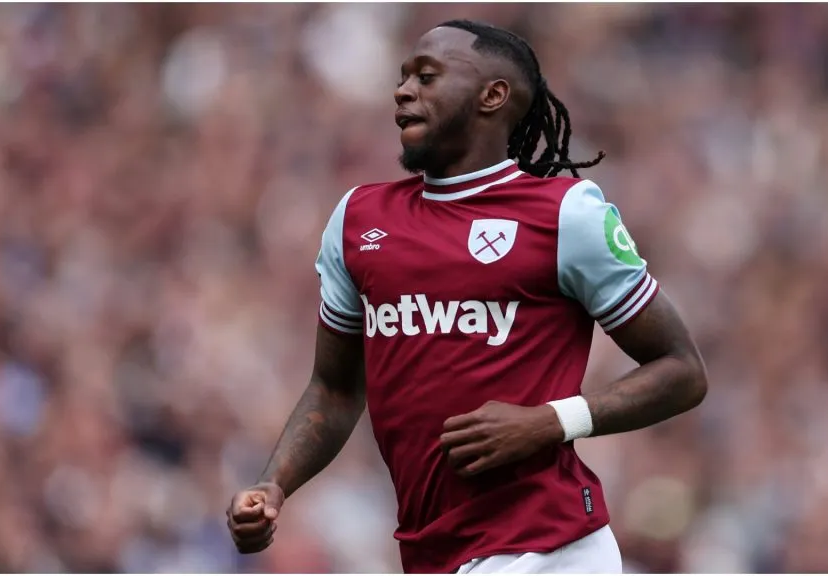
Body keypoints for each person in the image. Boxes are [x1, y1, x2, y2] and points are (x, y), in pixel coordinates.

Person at [227, 20, 708, 574]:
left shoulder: (565, 215)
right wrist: (275, 484)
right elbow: (335, 389)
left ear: (493, 95)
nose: (402, 90)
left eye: (427, 77)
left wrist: (551, 421)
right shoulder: (357, 220)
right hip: (431, 555)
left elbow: (681, 369)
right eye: (404, 77)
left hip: (549, 550)